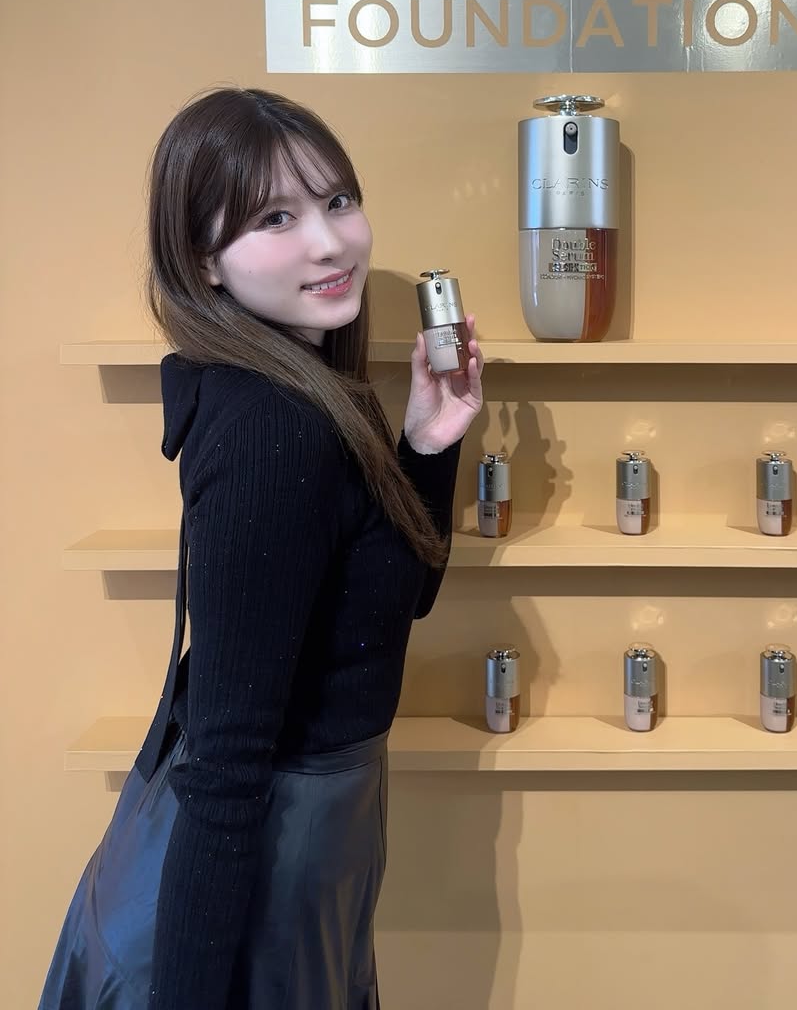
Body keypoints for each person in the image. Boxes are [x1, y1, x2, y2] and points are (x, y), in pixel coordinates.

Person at [39, 86, 484, 1010]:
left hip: (313, 851)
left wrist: (428, 445)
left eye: (338, 200)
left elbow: (390, 607)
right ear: (202, 258)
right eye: (275, 217)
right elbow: (227, 763)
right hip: (263, 874)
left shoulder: (315, 393)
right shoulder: (271, 432)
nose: (329, 242)